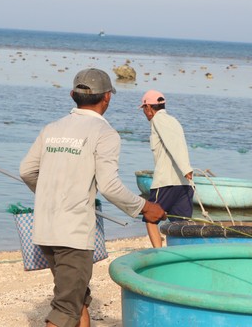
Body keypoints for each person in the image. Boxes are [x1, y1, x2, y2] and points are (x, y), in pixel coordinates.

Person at [19, 68, 166, 327]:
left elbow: (26, 171)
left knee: (78, 301)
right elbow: (109, 186)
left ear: (72, 94)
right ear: (107, 97)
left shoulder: (52, 129)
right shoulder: (104, 133)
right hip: (72, 234)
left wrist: (51, 196)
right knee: (66, 309)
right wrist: (145, 207)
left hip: (44, 230)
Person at [139, 90, 194, 248]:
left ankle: (158, 252)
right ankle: (181, 254)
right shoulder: (173, 120)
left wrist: (186, 168)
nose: (144, 112)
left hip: (166, 183)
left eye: (144, 109)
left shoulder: (158, 120)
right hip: (184, 184)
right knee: (182, 226)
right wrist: (186, 171)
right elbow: (179, 145)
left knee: (150, 218)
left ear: (149, 107)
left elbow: (172, 144)